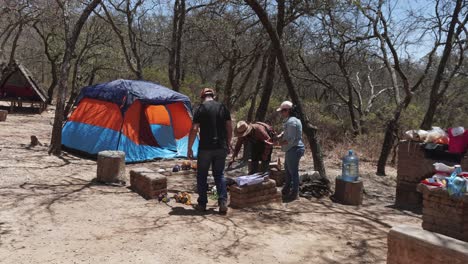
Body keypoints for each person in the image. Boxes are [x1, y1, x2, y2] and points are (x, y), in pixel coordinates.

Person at [188, 88, 232, 214]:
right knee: (219, 175)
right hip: (221, 147)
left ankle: (202, 204)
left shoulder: (200, 109)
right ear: (213, 96)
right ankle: (223, 202)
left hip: (205, 148)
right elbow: (229, 126)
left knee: (202, 175)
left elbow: (195, 129)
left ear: (202, 97)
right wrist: (228, 143)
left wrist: (189, 147)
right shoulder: (223, 107)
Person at [275, 101, 305, 202]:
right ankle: (287, 189)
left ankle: (294, 193)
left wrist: (279, 143)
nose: (282, 113)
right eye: (281, 111)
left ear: (289, 110)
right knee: (288, 171)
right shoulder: (292, 120)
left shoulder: (291, 121)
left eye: (283, 110)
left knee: (293, 172)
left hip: (294, 149)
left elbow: (291, 139)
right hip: (292, 148)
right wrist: (281, 135)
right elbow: (288, 131)